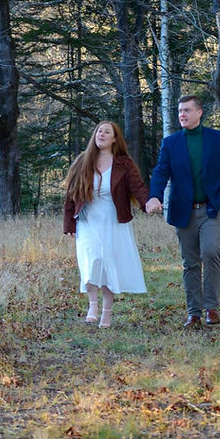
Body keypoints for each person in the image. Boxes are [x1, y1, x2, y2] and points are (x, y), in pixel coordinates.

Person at [146, 95, 220, 328]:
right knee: (191, 262)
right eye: (179, 111)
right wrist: (154, 196)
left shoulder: (218, 140)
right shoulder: (171, 143)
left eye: (187, 110)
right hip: (183, 211)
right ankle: (194, 313)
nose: (182, 115)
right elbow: (160, 173)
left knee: (210, 251)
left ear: (200, 113)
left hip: (210, 210)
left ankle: (211, 308)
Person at [63, 121, 150, 328]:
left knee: (109, 263)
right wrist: (69, 225)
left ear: (114, 139)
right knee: (91, 261)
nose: (101, 134)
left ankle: (107, 312)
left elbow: (138, 187)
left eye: (107, 132)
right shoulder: (83, 161)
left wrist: (148, 203)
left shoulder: (124, 164)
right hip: (87, 221)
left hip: (113, 220)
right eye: (99, 131)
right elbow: (70, 195)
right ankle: (92, 305)